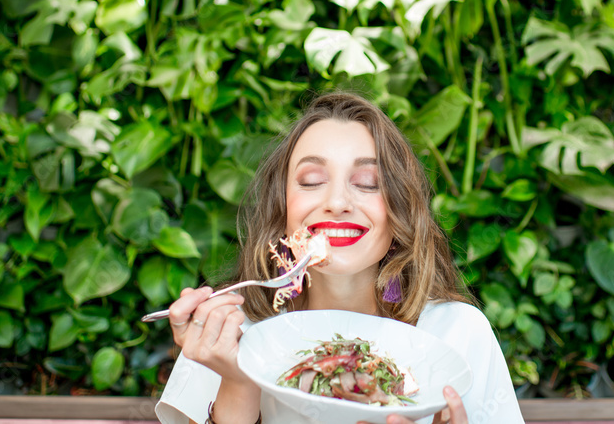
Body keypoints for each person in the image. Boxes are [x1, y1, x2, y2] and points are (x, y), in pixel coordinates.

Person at [154, 91, 525, 424]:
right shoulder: (228, 335)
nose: (337, 202)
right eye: (312, 181)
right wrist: (238, 385)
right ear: (283, 209)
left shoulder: (458, 334)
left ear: (399, 213)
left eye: (367, 183)